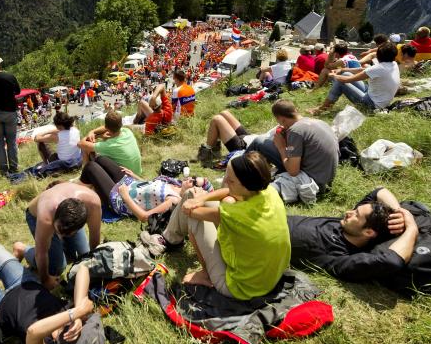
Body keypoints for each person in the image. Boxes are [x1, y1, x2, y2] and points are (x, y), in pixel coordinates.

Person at [140, 152, 290, 300]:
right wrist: (203, 198)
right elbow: (229, 192)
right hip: (271, 279)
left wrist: (194, 200)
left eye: (230, 180)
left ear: (245, 185)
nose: (225, 181)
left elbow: (190, 212)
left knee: (193, 204)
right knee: (220, 199)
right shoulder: (268, 191)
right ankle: (169, 237)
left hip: (238, 288)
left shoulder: (234, 214)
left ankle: (204, 272)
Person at [287, 187, 419, 282]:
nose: (348, 212)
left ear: (368, 232)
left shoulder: (341, 257)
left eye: (356, 214)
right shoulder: (347, 225)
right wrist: (399, 212)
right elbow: (379, 191)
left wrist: (412, 229)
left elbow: (392, 261)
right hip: (275, 219)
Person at [246, 100, 339, 203]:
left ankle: (239, 170)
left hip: (312, 181)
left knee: (259, 142)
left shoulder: (295, 131)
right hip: (325, 178)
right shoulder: (319, 122)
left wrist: (281, 146)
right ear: (295, 110)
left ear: (281, 119)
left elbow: (293, 171)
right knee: (261, 142)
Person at [14, 183, 102, 290]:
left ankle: (59, 252)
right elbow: (41, 253)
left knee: (82, 256)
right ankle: (22, 249)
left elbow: (95, 237)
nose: (60, 236)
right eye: (58, 231)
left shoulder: (93, 205)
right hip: (36, 215)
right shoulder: (46, 217)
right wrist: (45, 279)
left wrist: (95, 265)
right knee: (56, 268)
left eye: (66, 234)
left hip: (67, 217)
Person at [80, 155, 183, 221]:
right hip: (130, 183)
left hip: (120, 200)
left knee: (91, 167)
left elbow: (145, 217)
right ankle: (89, 187)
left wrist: (125, 196)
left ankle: (78, 194)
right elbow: (152, 186)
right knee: (100, 159)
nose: (191, 179)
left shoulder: (173, 199)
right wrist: (135, 176)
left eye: (194, 182)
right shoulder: (177, 184)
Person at [311, 42, 401, 113]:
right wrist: (343, 70)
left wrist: (334, 76)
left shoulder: (378, 68)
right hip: (379, 100)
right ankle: (324, 106)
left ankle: (322, 109)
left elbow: (346, 80)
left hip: (371, 105)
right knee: (346, 73)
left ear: (379, 55)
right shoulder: (393, 64)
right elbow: (363, 70)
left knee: (341, 82)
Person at [78, 110, 142, 175]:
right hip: (136, 174)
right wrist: (93, 132)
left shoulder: (109, 145)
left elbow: (80, 144)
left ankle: (85, 175)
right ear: (121, 124)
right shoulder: (127, 131)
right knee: (106, 137)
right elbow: (106, 129)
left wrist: (92, 135)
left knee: (86, 148)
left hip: (125, 178)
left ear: (106, 127)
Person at [28, 111, 83, 177]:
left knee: (40, 143)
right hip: (76, 160)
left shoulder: (57, 136)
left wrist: (49, 131)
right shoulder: (75, 130)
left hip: (63, 162)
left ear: (58, 126)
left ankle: (46, 163)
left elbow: (36, 138)